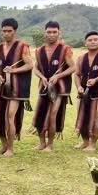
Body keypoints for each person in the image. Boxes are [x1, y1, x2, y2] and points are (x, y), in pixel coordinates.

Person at [0, 18, 33, 157]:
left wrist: (13, 71)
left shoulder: (23, 47)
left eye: (9, 31)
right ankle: (4, 145)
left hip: (17, 88)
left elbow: (29, 65)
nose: (6, 34)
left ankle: (11, 148)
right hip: (3, 86)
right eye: (4, 31)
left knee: (9, 116)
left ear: (15, 31)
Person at [32, 21, 75, 152]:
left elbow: (73, 67)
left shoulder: (65, 49)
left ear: (59, 33)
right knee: (40, 113)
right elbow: (35, 68)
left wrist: (58, 76)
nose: (51, 35)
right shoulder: (39, 51)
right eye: (49, 32)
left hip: (60, 88)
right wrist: (42, 77)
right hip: (44, 88)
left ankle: (50, 144)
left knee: (53, 114)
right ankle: (41, 143)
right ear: (45, 33)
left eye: (54, 32)